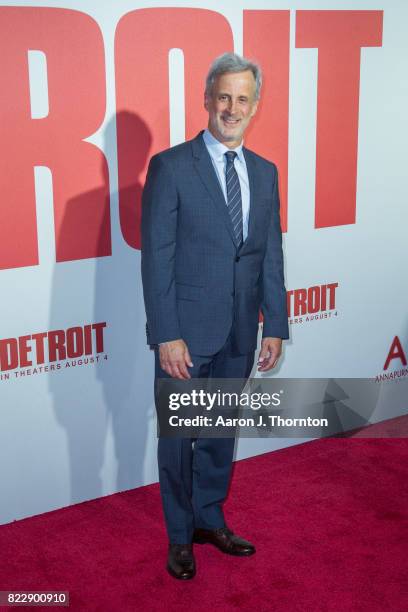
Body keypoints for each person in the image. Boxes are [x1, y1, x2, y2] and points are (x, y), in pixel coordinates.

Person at [141, 52, 289, 580]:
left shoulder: (265, 173)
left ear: (255, 106)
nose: (232, 107)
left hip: (239, 333)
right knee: (179, 439)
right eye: (223, 96)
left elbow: (269, 252)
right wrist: (167, 335)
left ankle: (209, 519)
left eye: (242, 98)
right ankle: (180, 536)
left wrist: (275, 323)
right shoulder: (172, 166)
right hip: (185, 334)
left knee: (220, 431)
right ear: (207, 99)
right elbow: (156, 257)